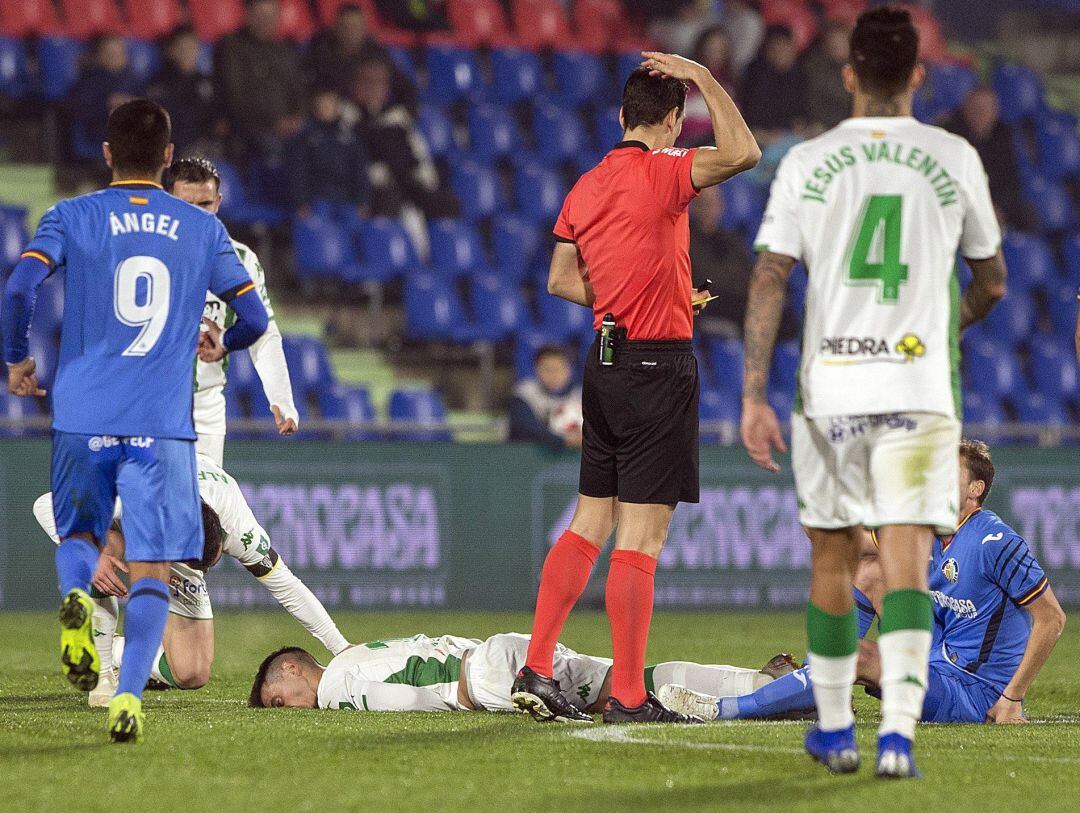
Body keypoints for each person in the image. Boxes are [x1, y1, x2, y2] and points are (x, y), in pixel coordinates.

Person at [741, 7, 1007, 778]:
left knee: (833, 559)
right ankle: (897, 733)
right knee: (906, 562)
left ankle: (834, 729)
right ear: (918, 74)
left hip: (832, 388)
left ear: (850, 73)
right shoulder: (954, 157)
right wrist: (947, 325)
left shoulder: (805, 161)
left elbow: (767, 276)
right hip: (919, 388)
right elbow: (992, 281)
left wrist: (754, 393)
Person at [0, 99, 268, 742]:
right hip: (163, 424)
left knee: (81, 541)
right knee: (151, 565)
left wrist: (16, 362)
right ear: (169, 157)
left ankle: (76, 602)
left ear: (108, 153)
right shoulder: (203, 232)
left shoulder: (72, 215)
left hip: (83, 410)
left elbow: (17, 289)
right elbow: (254, 320)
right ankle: (126, 698)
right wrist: (221, 346)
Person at [511, 56, 760, 726]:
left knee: (591, 519)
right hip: (658, 368)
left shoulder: (588, 184)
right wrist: (706, 74)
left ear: (622, 115)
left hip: (605, 361)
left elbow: (562, 280)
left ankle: (537, 662)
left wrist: (645, 293)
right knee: (642, 538)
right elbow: (744, 152)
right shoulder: (665, 170)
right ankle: (626, 694)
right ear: (673, 121)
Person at [662, 441, 1067, 727]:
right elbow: (842, 540)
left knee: (855, 655)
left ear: (975, 490)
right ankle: (819, 683)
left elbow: (1051, 618)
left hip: (970, 691)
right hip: (933, 660)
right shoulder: (925, 529)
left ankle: (724, 708)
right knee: (869, 570)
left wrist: (1011, 697)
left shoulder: (996, 542)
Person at [32, 453, 351, 705]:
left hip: (172, 535)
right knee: (100, 544)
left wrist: (340, 647)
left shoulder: (239, 526)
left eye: (210, 564)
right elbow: (45, 505)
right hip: (139, 527)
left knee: (191, 673)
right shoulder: (128, 494)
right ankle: (100, 674)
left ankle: (119, 651)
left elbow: (287, 586)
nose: (209, 572)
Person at [249, 632, 796, 713]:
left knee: (614, 703)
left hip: (489, 678)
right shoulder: (357, 652)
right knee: (622, 680)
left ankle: (751, 699)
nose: (287, 709)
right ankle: (760, 684)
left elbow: (409, 698)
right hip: (501, 651)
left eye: (279, 699)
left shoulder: (338, 684)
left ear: (294, 667)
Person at [163, 156, 298, 465]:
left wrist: (281, 398)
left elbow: (264, 333)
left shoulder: (241, 260)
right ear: (168, 202)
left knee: (204, 508)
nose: (197, 216)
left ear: (219, 202)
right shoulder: (145, 253)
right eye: (186, 205)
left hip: (206, 409)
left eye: (206, 205)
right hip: (148, 401)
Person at [351, 57, 456, 219]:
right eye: (368, 82)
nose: (374, 89)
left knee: (444, 203)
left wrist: (423, 176)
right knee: (388, 202)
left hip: (407, 181)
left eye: (380, 83)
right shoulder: (348, 119)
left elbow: (418, 152)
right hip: (375, 187)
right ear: (356, 85)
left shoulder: (398, 117)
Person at [214, 0, 305, 162]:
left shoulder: (283, 50)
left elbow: (298, 88)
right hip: (252, 128)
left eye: (271, 17)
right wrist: (273, 122)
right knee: (276, 152)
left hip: (288, 126)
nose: (267, 22)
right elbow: (236, 95)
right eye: (261, 16)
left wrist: (297, 116)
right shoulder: (232, 47)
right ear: (248, 16)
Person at [942, 87, 1034, 231]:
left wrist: (998, 209)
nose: (982, 114)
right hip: (960, 205)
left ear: (995, 111)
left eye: (987, 108)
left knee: (1028, 216)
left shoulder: (1005, 135)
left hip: (996, 204)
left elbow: (1011, 180)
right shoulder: (948, 135)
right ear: (966, 108)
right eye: (977, 108)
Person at [306, 2, 415, 110]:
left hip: (368, 115)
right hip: (333, 115)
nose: (351, 32)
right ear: (336, 28)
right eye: (346, 27)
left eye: (355, 27)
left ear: (364, 29)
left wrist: (404, 112)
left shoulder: (376, 53)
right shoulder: (321, 52)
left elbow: (405, 88)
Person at [286, 88, 371, 219]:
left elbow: (359, 171)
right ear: (315, 107)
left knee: (355, 225)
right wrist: (301, 202)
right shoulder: (305, 137)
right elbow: (298, 171)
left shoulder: (349, 137)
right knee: (320, 225)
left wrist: (362, 200)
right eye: (323, 104)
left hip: (346, 199)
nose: (327, 108)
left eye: (330, 103)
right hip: (317, 199)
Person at [688, 185, 753, 337]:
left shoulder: (731, 240)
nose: (709, 210)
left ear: (721, 207)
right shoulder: (686, 241)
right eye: (704, 204)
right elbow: (705, 282)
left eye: (714, 204)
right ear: (694, 207)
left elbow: (748, 278)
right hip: (706, 312)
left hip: (736, 307)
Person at [146, 26, 220, 157]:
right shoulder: (159, 83)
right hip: (177, 148)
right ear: (171, 51)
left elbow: (218, 116)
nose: (187, 53)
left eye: (191, 48)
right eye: (181, 48)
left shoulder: (208, 82)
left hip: (209, 144)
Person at [66, 35, 141, 158]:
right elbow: (80, 111)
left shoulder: (137, 82)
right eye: (110, 53)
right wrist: (107, 104)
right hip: (99, 138)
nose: (116, 57)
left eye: (120, 53)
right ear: (98, 56)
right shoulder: (87, 83)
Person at [507, 345, 583, 450]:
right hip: (529, 459)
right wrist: (563, 440)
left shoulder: (581, 396)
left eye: (558, 369)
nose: (553, 375)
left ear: (568, 370)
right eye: (547, 369)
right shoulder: (524, 395)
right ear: (536, 369)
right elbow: (525, 428)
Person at [739, 26, 807, 139]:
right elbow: (753, 113)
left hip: (793, 135)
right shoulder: (755, 75)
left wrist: (800, 123)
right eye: (775, 48)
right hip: (760, 136)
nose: (780, 53)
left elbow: (803, 112)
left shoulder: (801, 74)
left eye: (784, 47)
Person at [680, 26, 737, 146]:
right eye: (710, 49)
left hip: (717, 146)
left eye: (720, 50)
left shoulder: (729, 84)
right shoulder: (683, 80)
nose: (714, 54)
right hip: (685, 145)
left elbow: (733, 124)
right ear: (700, 49)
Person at [802, 22, 853, 131]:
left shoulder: (863, 66)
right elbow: (815, 104)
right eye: (833, 43)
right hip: (826, 124)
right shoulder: (816, 67)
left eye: (842, 41)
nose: (838, 46)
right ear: (826, 45)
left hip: (854, 124)